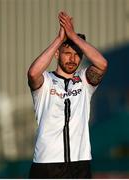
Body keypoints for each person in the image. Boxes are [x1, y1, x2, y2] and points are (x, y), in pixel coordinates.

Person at [27, 11, 108, 179]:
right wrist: (59, 40)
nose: (73, 59)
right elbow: (33, 73)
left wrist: (72, 36)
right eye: (67, 53)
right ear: (57, 54)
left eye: (77, 54)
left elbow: (102, 64)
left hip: (80, 164)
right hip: (46, 163)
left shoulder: (84, 82)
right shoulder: (46, 81)